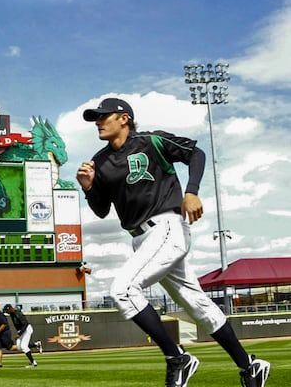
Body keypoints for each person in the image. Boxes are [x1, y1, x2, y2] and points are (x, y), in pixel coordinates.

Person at [77, 98, 271, 387]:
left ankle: (177, 357)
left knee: (123, 290)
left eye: (104, 116)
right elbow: (102, 209)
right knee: (197, 304)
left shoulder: (151, 141)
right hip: (141, 240)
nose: (98, 121)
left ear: (124, 118)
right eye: (96, 117)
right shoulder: (100, 161)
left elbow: (196, 153)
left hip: (167, 228)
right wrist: (89, 187)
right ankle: (250, 366)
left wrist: (191, 192)